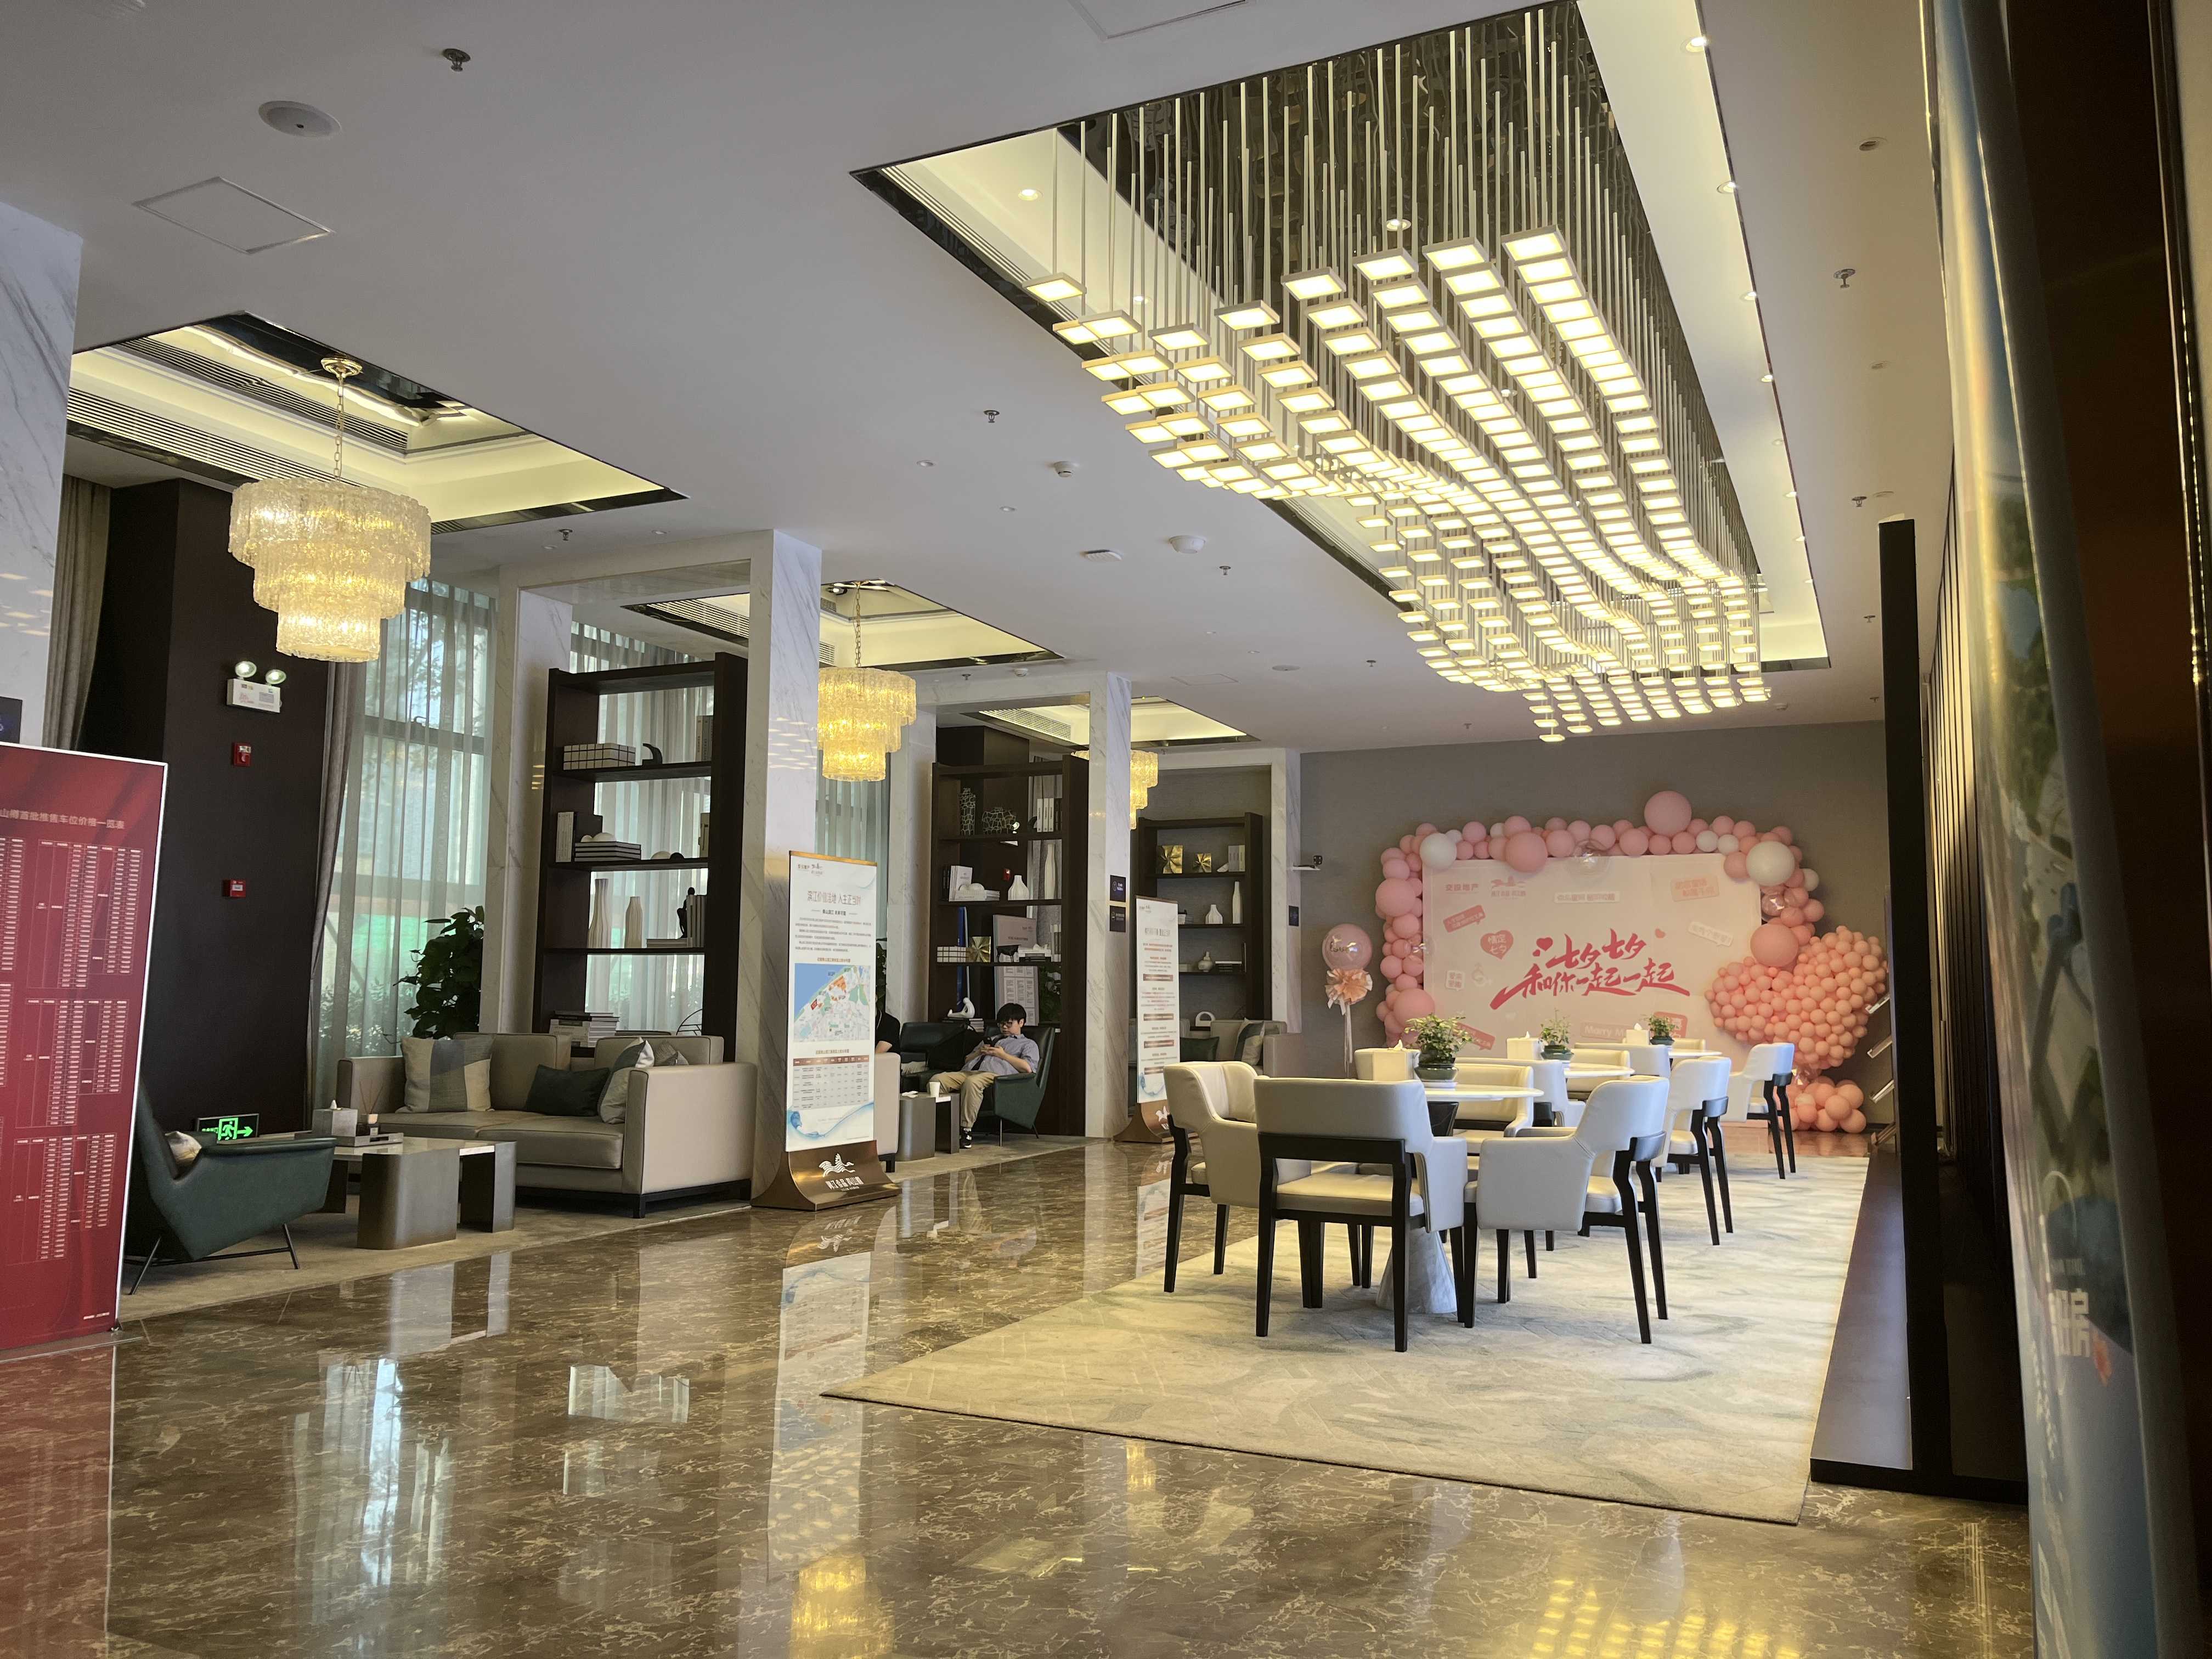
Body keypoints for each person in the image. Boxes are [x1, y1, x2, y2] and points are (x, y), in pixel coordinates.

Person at [929, 1003, 1038, 1148]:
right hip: (970, 1072)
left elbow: (1028, 1068)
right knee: (937, 1080)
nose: (1004, 1027)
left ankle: (966, 1130)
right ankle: (941, 1128)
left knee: (972, 1082)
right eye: (1001, 1024)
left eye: (1009, 1024)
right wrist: (979, 1052)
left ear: (1021, 1023)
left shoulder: (1028, 1044)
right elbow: (967, 1060)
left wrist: (1003, 1055)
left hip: (997, 1076)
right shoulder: (991, 1039)